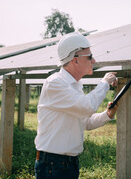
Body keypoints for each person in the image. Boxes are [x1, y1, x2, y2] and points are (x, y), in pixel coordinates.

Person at [34, 32, 118, 178]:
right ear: (75, 60)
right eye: (89, 57)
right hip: (53, 165)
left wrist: (107, 115)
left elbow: (85, 121)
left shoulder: (75, 85)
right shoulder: (55, 83)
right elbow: (87, 107)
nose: (94, 60)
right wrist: (105, 83)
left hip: (68, 164)